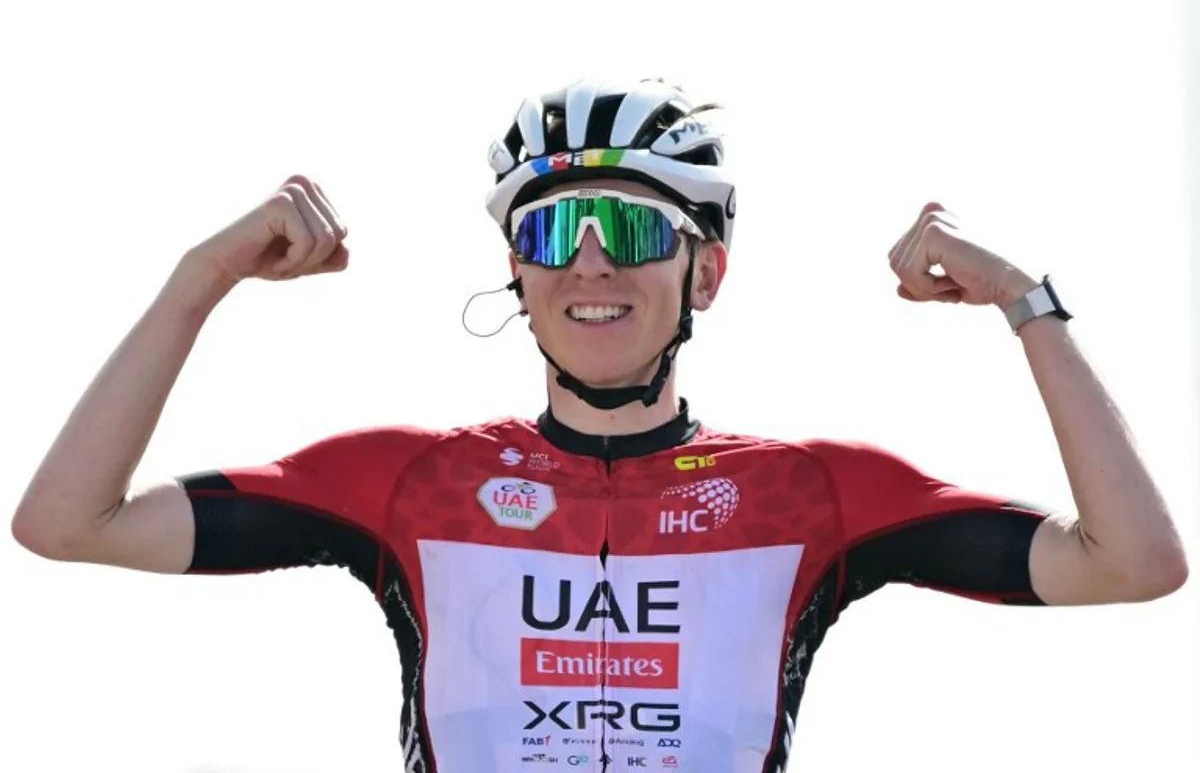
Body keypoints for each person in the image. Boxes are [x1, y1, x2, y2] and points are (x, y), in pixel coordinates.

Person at [11, 78, 1189, 773]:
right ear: (514, 274)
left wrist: (1025, 304)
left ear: (706, 272)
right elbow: (64, 520)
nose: (587, 266)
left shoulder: (813, 493)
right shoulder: (406, 482)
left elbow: (1135, 561)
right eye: (548, 232)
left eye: (628, 231)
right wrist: (195, 281)